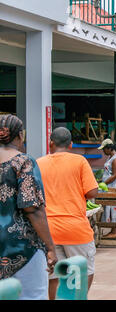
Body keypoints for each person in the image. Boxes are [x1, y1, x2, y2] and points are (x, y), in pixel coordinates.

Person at [37, 127, 99, 300]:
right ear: (71, 145)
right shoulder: (79, 162)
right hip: (76, 229)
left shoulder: (39, 163)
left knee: (53, 274)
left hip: (48, 230)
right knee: (84, 270)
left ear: (51, 144)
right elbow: (92, 192)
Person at [0, 114, 57, 300]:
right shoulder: (23, 162)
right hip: (22, 247)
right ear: (20, 136)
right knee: (33, 296)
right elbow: (32, 208)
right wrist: (50, 247)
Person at [98, 139, 116, 238]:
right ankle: (112, 230)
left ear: (109, 148)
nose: (103, 151)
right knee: (108, 208)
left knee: (113, 208)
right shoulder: (110, 157)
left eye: (104, 149)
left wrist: (104, 182)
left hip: (113, 187)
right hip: (107, 187)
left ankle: (114, 231)